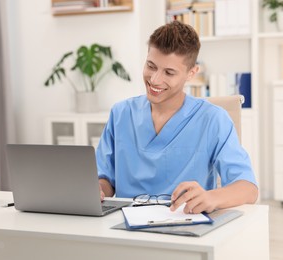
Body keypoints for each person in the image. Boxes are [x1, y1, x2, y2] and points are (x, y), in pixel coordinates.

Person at [96, 21, 258, 214]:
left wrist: (211, 197)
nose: (155, 80)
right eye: (151, 66)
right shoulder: (121, 113)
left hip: (184, 226)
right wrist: (97, 190)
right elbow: (105, 179)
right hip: (123, 225)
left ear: (191, 73)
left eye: (169, 72)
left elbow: (248, 189)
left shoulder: (213, 120)